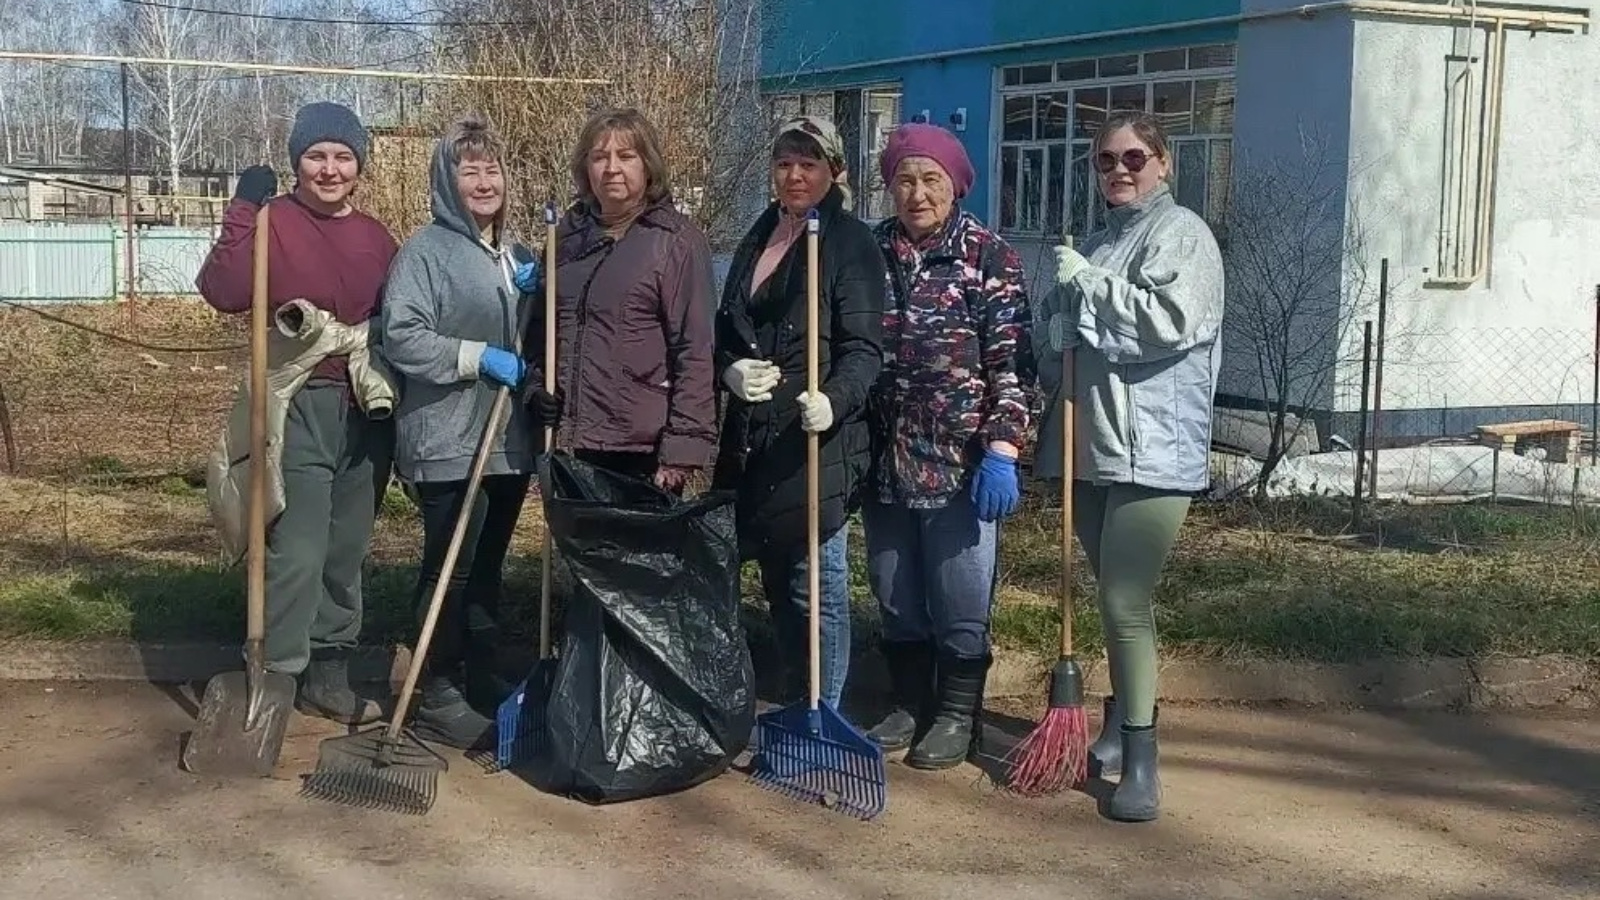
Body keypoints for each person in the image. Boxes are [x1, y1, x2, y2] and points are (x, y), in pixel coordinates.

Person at [1033, 110, 1225, 822]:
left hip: (1155, 449)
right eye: (1105, 160)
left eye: (1134, 158)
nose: (1119, 170)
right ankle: (1117, 726)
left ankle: (1142, 761)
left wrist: (1091, 292)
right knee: (1110, 594)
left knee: (1123, 600)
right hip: (1093, 446)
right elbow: (1062, 340)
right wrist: (1055, 326)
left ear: (1163, 163)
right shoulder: (1097, 243)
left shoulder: (1185, 235)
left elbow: (1171, 323)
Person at [194, 100, 398, 726]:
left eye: (343, 156)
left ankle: (329, 670)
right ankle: (278, 672)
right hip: (296, 403)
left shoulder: (377, 238)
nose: (330, 169)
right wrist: (241, 210)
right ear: (296, 163)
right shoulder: (272, 222)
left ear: (359, 166)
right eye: (316, 156)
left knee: (345, 549)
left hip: (364, 410)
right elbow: (223, 291)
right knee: (299, 548)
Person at [859, 123, 1033, 770]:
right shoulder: (869, 251)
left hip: (961, 463)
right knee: (895, 591)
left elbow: (1014, 366)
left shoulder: (989, 257)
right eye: (904, 179)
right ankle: (909, 703)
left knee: (961, 597)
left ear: (955, 185)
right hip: (883, 459)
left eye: (931, 179)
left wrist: (1004, 448)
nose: (917, 193)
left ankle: (959, 713)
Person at [378, 112, 541, 750]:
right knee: (452, 567)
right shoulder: (425, 253)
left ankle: (480, 673)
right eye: (468, 170)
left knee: (487, 569)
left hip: (506, 442)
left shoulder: (515, 254)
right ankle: (438, 690)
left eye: (492, 169)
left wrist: (539, 289)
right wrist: (477, 357)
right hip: (448, 441)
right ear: (446, 182)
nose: (484, 181)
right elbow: (403, 336)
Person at [712, 115, 886, 710]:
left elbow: (864, 350)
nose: (794, 175)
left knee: (817, 585)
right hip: (756, 439)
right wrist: (729, 369)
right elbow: (728, 327)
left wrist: (833, 401)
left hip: (816, 443)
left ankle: (824, 710)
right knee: (777, 580)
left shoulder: (851, 243)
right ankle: (795, 698)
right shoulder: (760, 233)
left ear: (834, 171)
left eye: (808, 164)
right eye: (784, 163)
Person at [520, 107, 718, 492]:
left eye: (626, 156)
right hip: (571, 441)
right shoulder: (565, 241)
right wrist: (535, 390)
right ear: (586, 168)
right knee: (578, 535)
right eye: (599, 157)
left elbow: (696, 350)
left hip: (643, 448)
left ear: (648, 165)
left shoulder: (676, 243)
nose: (611, 168)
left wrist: (682, 449)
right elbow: (542, 334)